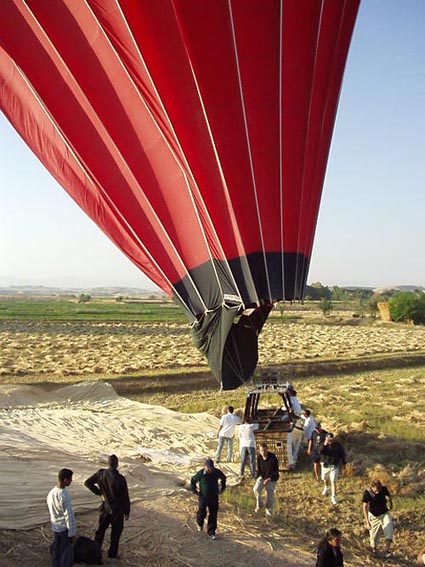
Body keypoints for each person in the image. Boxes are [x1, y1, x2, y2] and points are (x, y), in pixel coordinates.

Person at [84, 454, 130, 560]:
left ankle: (96, 552)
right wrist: (127, 511)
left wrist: (100, 493)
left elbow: (88, 482)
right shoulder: (120, 478)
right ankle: (112, 555)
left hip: (105, 508)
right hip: (117, 511)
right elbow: (125, 497)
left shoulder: (101, 473)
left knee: (100, 531)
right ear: (117, 464)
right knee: (115, 534)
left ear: (108, 463)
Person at [46, 468, 76, 567]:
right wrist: (71, 533)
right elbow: (69, 515)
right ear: (65, 480)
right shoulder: (64, 495)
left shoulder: (51, 493)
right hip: (64, 529)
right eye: (70, 479)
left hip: (55, 527)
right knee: (66, 554)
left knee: (56, 552)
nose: (71, 481)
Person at [190, 458, 226, 540]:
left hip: (214, 497)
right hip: (203, 497)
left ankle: (211, 532)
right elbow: (193, 481)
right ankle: (200, 523)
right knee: (202, 512)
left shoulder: (216, 472)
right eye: (208, 467)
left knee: (213, 514)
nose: (210, 469)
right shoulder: (201, 473)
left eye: (211, 467)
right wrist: (195, 491)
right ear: (205, 467)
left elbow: (223, 478)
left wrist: (223, 487)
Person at [362, 479, 394, 558]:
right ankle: (374, 550)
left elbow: (389, 497)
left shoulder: (383, 489)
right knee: (374, 535)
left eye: (379, 489)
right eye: (376, 490)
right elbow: (365, 507)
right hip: (374, 515)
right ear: (372, 487)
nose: (378, 492)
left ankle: (387, 550)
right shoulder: (367, 493)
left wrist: (390, 503)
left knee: (389, 527)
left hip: (384, 513)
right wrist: (367, 521)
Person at [320, 433, 346, 506]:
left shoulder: (337, 445)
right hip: (325, 465)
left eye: (331, 439)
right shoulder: (323, 445)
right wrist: (325, 444)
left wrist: (344, 462)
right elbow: (320, 451)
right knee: (325, 479)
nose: (330, 441)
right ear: (326, 438)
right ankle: (326, 487)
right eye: (329, 439)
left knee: (333, 481)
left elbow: (342, 454)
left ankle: (333, 496)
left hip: (334, 465)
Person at [253, 443, 279, 516]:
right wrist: (257, 477)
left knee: (269, 493)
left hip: (272, 478)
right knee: (256, 489)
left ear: (267, 450)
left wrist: (269, 479)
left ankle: (269, 510)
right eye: (261, 451)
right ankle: (260, 505)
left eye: (264, 450)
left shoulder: (272, 457)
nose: (263, 452)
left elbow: (276, 471)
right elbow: (259, 470)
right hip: (263, 476)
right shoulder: (259, 457)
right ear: (259, 451)